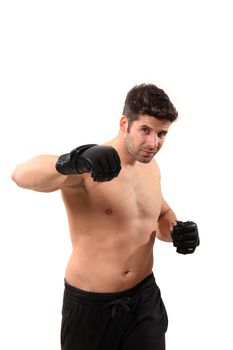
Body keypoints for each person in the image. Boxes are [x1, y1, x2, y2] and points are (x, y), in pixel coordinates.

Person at [11, 83, 199, 350]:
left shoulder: (150, 166)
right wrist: (74, 160)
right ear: (125, 123)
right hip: (92, 307)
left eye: (162, 134)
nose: (153, 143)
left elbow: (160, 214)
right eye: (145, 130)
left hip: (144, 299)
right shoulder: (89, 166)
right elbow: (21, 175)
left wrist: (176, 230)